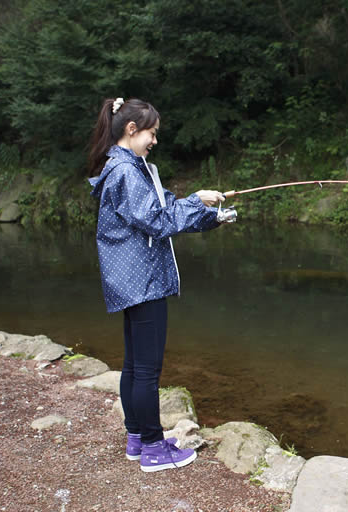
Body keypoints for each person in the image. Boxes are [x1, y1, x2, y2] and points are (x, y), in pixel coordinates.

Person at [87, 97, 232, 472]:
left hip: (134, 281)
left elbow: (167, 210)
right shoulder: (125, 172)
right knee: (146, 370)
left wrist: (210, 216)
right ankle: (152, 448)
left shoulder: (130, 168)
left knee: (134, 366)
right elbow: (158, 221)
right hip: (143, 282)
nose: (155, 140)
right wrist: (196, 200)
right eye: (152, 132)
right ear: (132, 130)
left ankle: (137, 438)